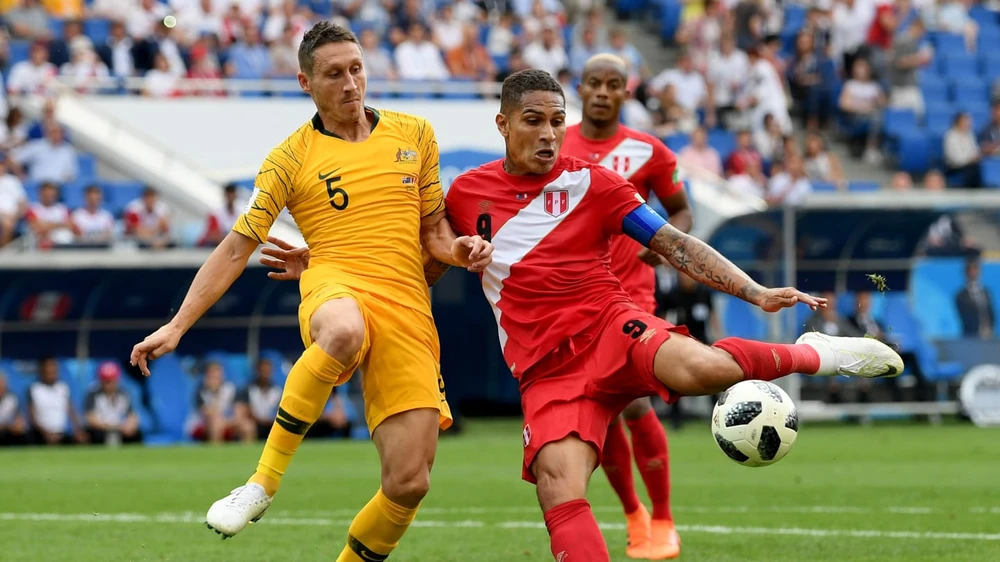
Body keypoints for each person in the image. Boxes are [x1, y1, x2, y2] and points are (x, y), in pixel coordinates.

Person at [264, 69, 905, 561]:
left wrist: (758, 293)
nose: (548, 133)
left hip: (610, 328)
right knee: (557, 485)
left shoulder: (593, 184)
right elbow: (420, 258)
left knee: (704, 371)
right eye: (534, 121)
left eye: (556, 121)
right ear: (503, 124)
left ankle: (816, 352)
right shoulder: (465, 194)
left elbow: (674, 244)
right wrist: (326, 262)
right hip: (545, 372)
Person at [129, 21, 494, 562]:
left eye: (356, 69)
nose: (351, 84)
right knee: (344, 331)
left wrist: (462, 251)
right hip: (334, 281)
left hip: (408, 305)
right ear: (305, 83)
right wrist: (177, 325)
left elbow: (434, 231)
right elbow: (235, 248)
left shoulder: (415, 134)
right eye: (334, 74)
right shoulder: (289, 157)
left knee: (409, 481)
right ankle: (261, 483)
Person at [560, 54, 692, 560]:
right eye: (594, 83)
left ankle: (663, 519)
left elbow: (680, 210)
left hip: (631, 293)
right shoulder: (557, 144)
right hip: (574, 297)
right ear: (581, 87)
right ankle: (634, 515)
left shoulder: (648, 151)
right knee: (605, 409)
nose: (601, 92)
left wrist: (655, 245)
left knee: (634, 400)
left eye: (613, 85)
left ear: (625, 93)